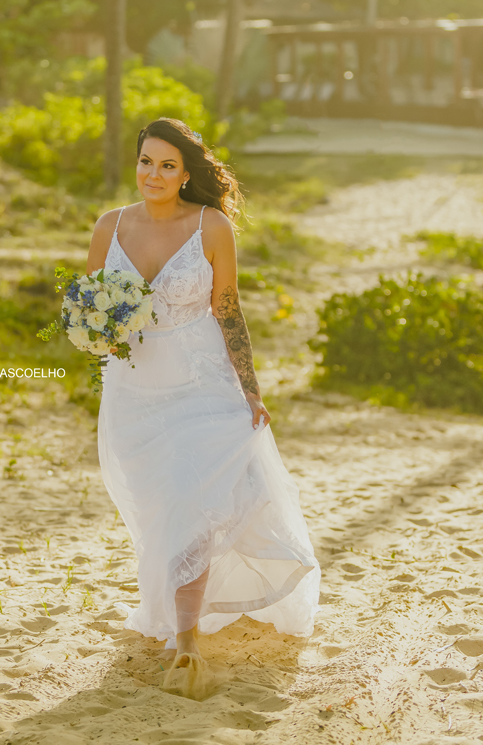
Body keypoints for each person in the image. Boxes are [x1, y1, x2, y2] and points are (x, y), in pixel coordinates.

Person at [85, 118, 321, 698]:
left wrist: (250, 388)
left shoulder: (211, 226)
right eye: (146, 162)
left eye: (167, 165)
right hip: (134, 394)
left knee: (191, 508)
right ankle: (175, 617)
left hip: (203, 386)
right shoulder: (108, 226)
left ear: (187, 173)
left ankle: (187, 644)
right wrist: (99, 332)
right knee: (162, 510)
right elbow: (90, 307)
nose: (154, 175)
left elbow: (229, 312)